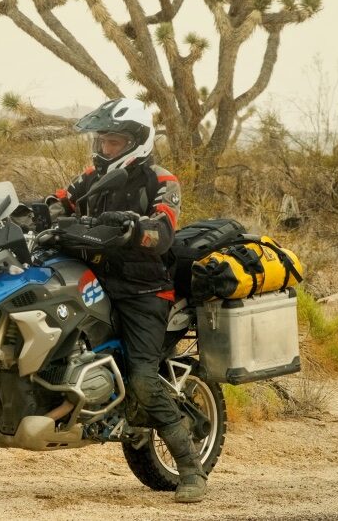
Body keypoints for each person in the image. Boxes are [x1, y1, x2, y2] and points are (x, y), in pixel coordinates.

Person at [49, 97, 206, 504]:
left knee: (141, 377)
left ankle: (191, 470)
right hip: (94, 281)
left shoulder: (162, 180)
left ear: (136, 141)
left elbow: (163, 232)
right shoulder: (92, 176)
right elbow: (61, 200)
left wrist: (135, 232)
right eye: (102, 142)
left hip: (145, 292)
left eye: (114, 142)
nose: (105, 149)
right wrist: (32, 213)